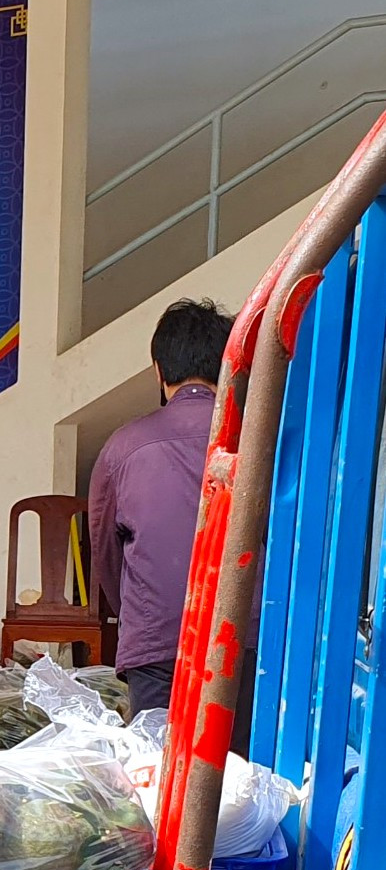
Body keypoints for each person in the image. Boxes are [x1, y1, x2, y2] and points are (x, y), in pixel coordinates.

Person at [90, 298, 251, 744]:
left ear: (159, 371)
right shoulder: (258, 443)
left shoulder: (123, 446)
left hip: (157, 646)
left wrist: (137, 619)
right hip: (244, 642)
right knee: (241, 781)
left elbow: (105, 554)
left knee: (161, 774)